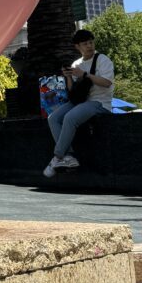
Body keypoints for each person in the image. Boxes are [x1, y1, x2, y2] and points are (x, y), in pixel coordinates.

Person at [43, 29, 113, 178]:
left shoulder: (102, 60)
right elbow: (72, 93)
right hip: (81, 101)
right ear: (77, 46)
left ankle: (57, 157)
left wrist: (85, 75)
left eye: (91, 42)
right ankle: (68, 157)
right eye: (85, 43)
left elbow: (107, 83)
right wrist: (68, 77)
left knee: (70, 118)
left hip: (99, 102)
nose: (90, 46)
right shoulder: (77, 64)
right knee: (53, 118)